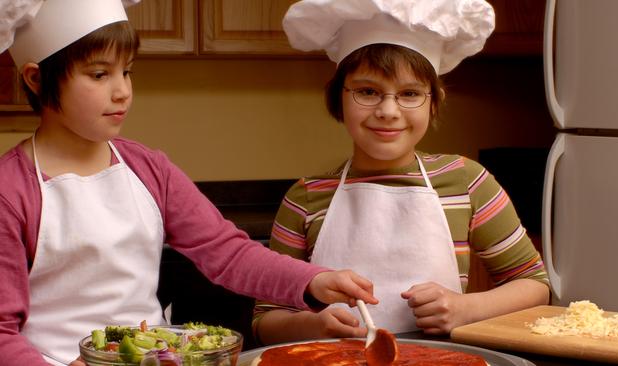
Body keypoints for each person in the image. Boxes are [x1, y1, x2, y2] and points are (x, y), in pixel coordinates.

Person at [0, 1, 378, 365]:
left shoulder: (149, 168)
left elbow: (227, 254)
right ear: (36, 78)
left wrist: (314, 280)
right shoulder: (10, 190)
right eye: (99, 74)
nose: (122, 91)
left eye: (127, 71)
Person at [253, 0, 550, 346]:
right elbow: (265, 318)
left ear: (433, 101)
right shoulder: (304, 198)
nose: (388, 111)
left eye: (410, 93)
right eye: (367, 91)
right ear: (339, 98)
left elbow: (535, 284)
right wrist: (312, 326)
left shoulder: (468, 182)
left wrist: (464, 308)